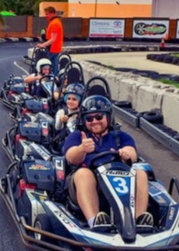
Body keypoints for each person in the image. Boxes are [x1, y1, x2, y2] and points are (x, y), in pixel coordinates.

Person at [63, 95, 154, 229]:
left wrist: (126, 154)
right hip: (88, 184)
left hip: (118, 180)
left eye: (99, 117)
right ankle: (94, 221)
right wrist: (82, 149)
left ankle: (138, 220)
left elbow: (132, 152)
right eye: (89, 118)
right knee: (83, 174)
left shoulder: (120, 136)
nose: (94, 121)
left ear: (108, 117)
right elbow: (70, 156)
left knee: (140, 173)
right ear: (83, 120)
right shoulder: (77, 136)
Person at [36, 6, 64, 76]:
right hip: (56, 48)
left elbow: (53, 39)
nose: (46, 16)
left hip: (52, 49)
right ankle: (54, 80)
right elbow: (52, 37)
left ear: (53, 13)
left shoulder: (54, 23)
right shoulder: (56, 22)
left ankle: (45, 80)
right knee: (54, 68)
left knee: (45, 66)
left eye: (47, 14)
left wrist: (42, 45)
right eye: (46, 14)